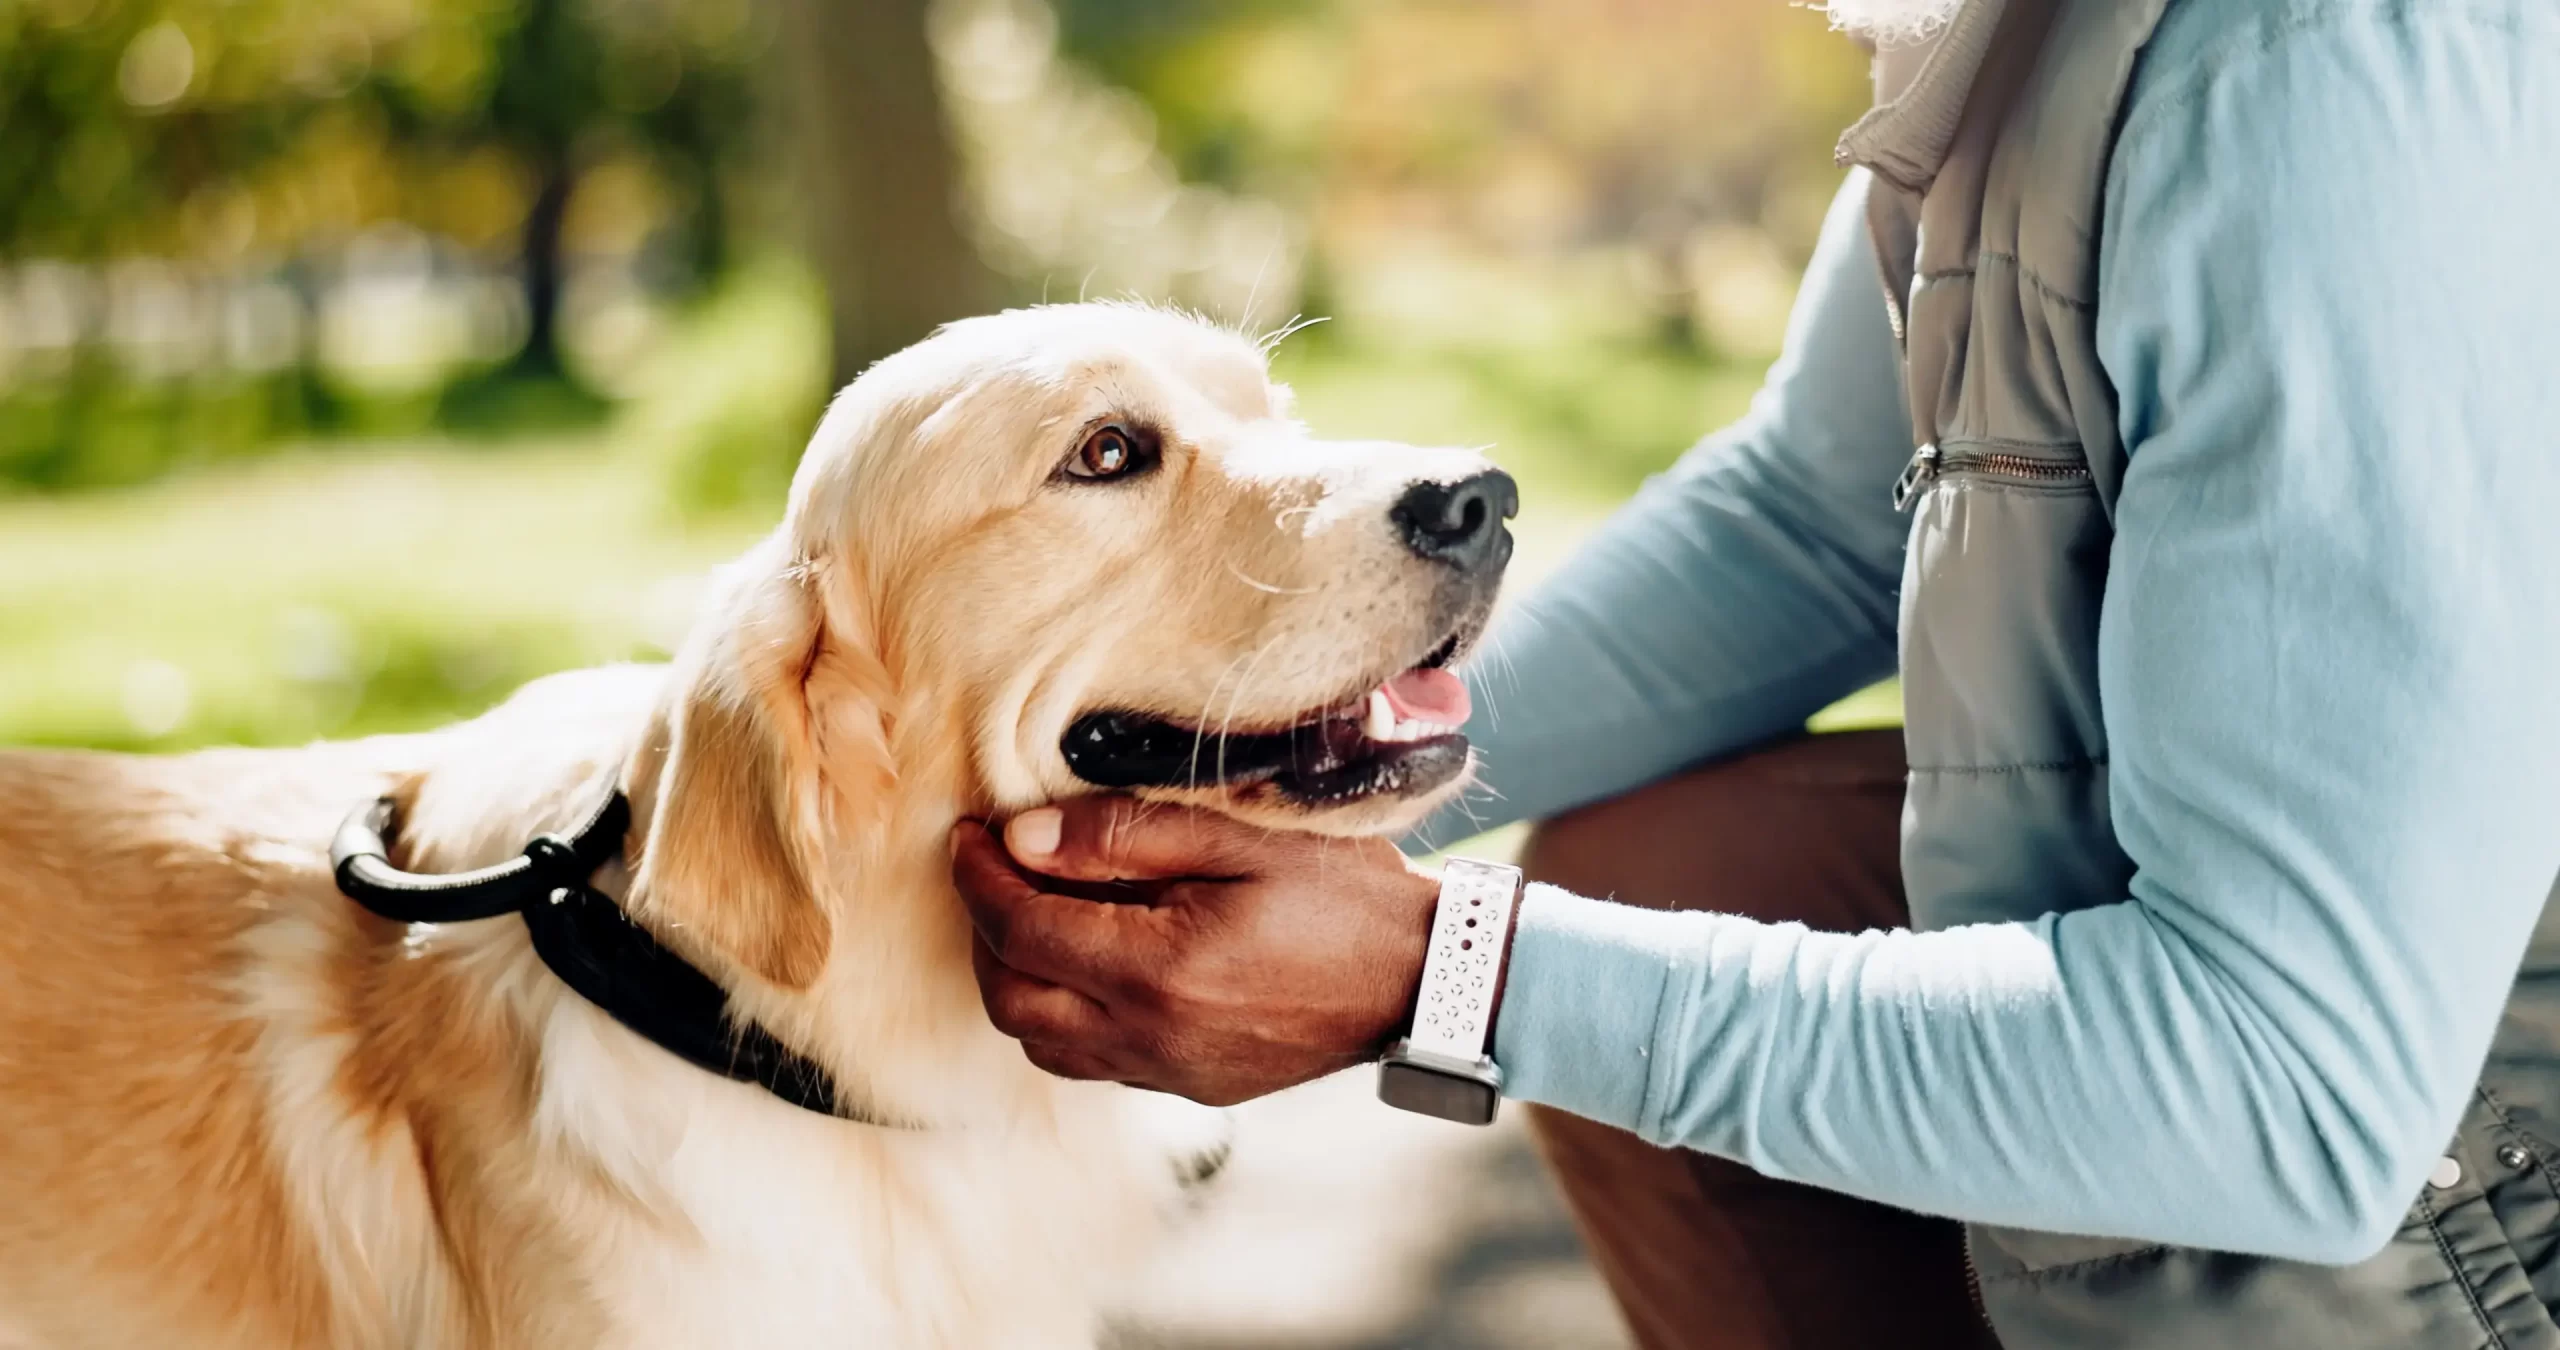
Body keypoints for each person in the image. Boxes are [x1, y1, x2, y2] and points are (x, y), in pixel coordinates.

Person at [947, 0, 2560, 1345]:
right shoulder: (2011, 43)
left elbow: (2293, 1084)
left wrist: (1452, 973)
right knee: (1680, 864)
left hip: (2464, 1194)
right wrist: (1264, 776)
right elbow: (1810, 520)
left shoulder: (2307, 80)